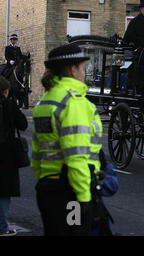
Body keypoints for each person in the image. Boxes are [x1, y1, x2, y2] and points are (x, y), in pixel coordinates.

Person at [31, 44, 102, 236]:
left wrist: (44, 181)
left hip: (47, 188)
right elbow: (76, 157)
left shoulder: (45, 101)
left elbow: (36, 155)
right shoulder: (74, 102)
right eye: (82, 68)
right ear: (73, 69)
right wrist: (85, 198)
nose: (84, 73)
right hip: (70, 191)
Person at [0, 76, 27, 236]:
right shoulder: (10, 105)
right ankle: (2, 227)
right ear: (5, 90)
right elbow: (23, 125)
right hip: (6, 153)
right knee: (4, 192)